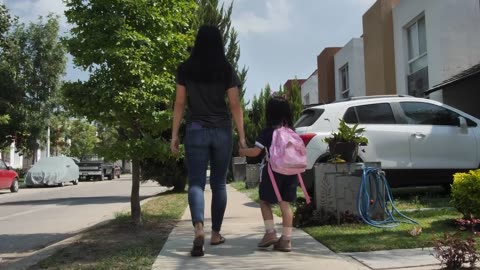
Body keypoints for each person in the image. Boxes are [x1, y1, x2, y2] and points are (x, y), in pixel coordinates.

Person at [170, 25, 246, 257]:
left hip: (195, 129)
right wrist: (242, 136)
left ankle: (198, 229)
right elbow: (234, 104)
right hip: (222, 130)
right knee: (219, 184)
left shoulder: (185, 68)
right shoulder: (225, 68)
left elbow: (180, 103)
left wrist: (174, 135)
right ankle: (215, 233)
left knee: (195, 183)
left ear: (197, 41)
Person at [239, 95, 297, 252]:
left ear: (269, 112)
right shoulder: (292, 131)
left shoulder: (268, 131)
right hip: (291, 172)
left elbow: (256, 152)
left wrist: (243, 150)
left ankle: (270, 233)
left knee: (265, 201)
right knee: (285, 204)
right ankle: (286, 240)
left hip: (272, 172)